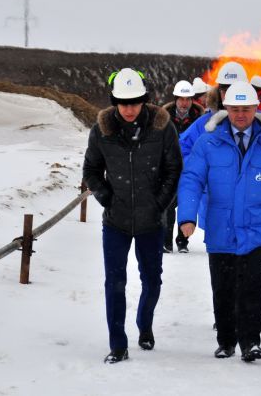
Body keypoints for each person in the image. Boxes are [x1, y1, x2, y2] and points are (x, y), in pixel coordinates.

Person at [177, 81, 261, 362]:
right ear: (226, 108)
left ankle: (250, 342)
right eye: (235, 109)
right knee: (222, 286)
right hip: (221, 227)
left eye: (246, 109)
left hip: (259, 228)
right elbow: (191, 180)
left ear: (256, 108)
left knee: (252, 285)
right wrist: (186, 216)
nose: (241, 115)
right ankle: (226, 341)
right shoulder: (208, 141)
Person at [83, 68, 182, 364]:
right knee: (114, 282)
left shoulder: (162, 128)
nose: (129, 109)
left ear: (144, 100)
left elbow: (174, 169)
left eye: (135, 102)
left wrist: (159, 204)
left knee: (152, 280)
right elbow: (91, 170)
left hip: (151, 221)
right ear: (115, 102)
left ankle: (144, 323)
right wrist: (107, 198)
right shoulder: (102, 130)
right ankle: (118, 344)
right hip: (116, 221)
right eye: (123, 103)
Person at [161, 80, 203, 253]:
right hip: (168, 167)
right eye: (181, 99)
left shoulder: (199, 119)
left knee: (187, 202)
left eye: (188, 99)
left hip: (190, 167)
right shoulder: (163, 117)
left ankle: (182, 241)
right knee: (168, 205)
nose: (184, 103)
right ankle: (166, 242)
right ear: (176, 99)